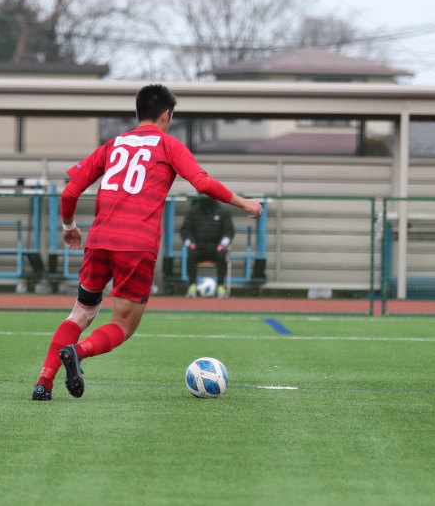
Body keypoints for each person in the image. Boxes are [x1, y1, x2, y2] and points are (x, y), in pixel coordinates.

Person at [31, 84, 263, 401]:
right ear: (167, 115)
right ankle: (78, 351)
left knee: (81, 313)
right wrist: (243, 202)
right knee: (124, 323)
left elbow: (70, 191)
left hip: (98, 240)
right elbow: (202, 182)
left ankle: (44, 382)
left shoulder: (113, 145)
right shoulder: (168, 145)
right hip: (136, 245)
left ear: (137, 112)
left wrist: (69, 226)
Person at [180, 197, 235, 299]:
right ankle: (192, 285)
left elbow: (228, 232)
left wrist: (222, 245)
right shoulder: (192, 212)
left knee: (222, 255)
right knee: (191, 255)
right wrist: (190, 243)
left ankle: (220, 286)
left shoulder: (223, 212)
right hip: (198, 248)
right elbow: (185, 231)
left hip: (216, 248)